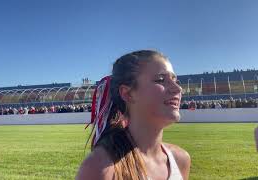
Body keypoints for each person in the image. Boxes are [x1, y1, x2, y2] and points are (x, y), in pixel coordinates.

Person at [77, 50, 190, 180]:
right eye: (160, 80)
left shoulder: (180, 159)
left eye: (175, 80)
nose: (178, 88)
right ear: (127, 94)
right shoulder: (101, 167)